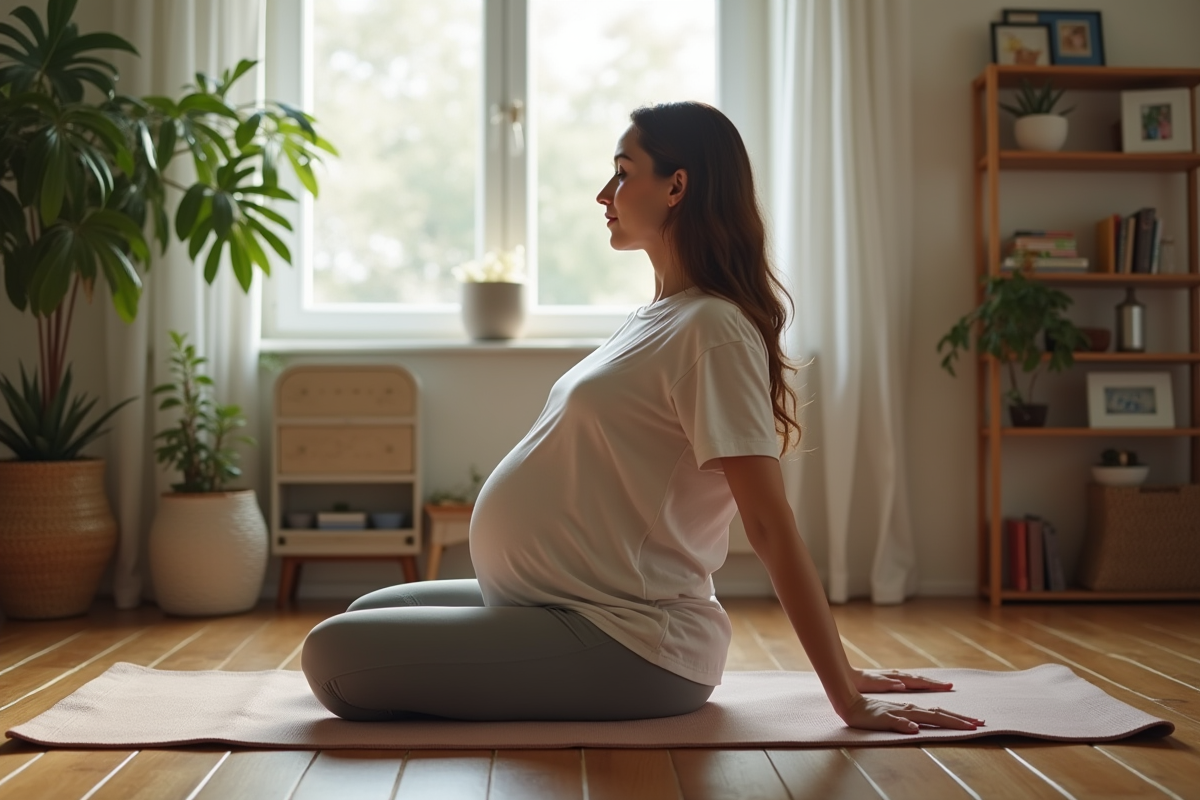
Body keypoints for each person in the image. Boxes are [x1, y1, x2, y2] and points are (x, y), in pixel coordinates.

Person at [301, 101, 984, 735]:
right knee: (365, 616)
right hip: (561, 605)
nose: (604, 194)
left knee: (333, 655)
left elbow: (770, 523)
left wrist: (846, 693)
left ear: (677, 187)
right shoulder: (659, 318)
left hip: (628, 641)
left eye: (623, 174)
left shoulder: (713, 329)